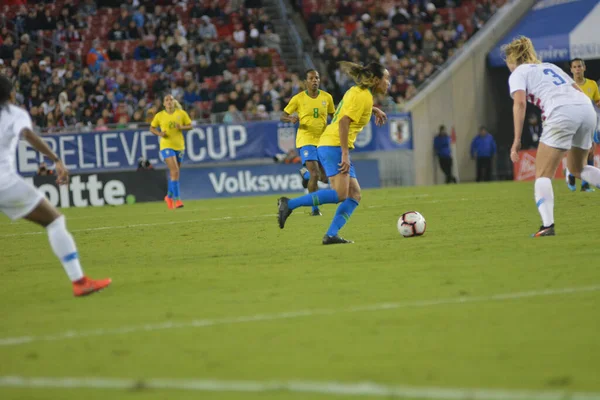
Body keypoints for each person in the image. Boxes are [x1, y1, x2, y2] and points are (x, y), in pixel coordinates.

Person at [0, 75, 111, 296]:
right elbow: (28, 134)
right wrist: (56, 159)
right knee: (55, 221)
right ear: (11, 94)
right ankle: (79, 281)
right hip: (4, 183)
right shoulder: (15, 114)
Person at [277, 62, 390, 244]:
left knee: (355, 195)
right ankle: (289, 204)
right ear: (376, 80)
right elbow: (344, 121)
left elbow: (340, 112)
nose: (388, 83)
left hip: (331, 143)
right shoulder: (364, 97)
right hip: (334, 146)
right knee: (340, 194)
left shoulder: (358, 92)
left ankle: (331, 235)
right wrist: (345, 153)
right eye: (386, 78)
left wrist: (374, 110)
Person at [504, 36, 600, 237]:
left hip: (561, 112)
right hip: (586, 110)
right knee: (577, 168)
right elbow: (578, 91)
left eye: (508, 63)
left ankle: (547, 226)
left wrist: (516, 140)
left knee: (542, 174)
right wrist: (589, 131)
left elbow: (520, 104)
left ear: (513, 60)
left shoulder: (518, 73)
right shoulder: (549, 67)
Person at [280, 69, 335, 216]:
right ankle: (315, 209)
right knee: (315, 175)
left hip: (323, 140)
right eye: (311, 78)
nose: (315, 80)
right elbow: (283, 115)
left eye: (317, 78)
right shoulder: (298, 99)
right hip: (306, 139)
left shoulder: (327, 97)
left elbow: (334, 116)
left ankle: (304, 173)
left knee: (324, 178)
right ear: (306, 82)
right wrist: (290, 119)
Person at [150, 95, 193, 209]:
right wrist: (160, 134)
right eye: (167, 100)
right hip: (166, 146)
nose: (169, 102)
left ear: (174, 102)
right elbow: (152, 128)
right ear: (164, 104)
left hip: (179, 146)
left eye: (171, 100)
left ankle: (168, 196)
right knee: (174, 170)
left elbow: (190, 126)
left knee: (175, 173)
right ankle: (177, 200)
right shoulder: (159, 116)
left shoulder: (181, 113)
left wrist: (181, 127)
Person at [564, 58, 600, 192]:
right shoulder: (568, 86)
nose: (578, 69)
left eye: (580, 66)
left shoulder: (592, 84)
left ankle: (584, 185)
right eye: (575, 67)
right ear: (571, 70)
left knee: (590, 153)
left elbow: (597, 101)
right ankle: (570, 173)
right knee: (577, 151)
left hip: (590, 123)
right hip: (575, 124)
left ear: (584, 68)